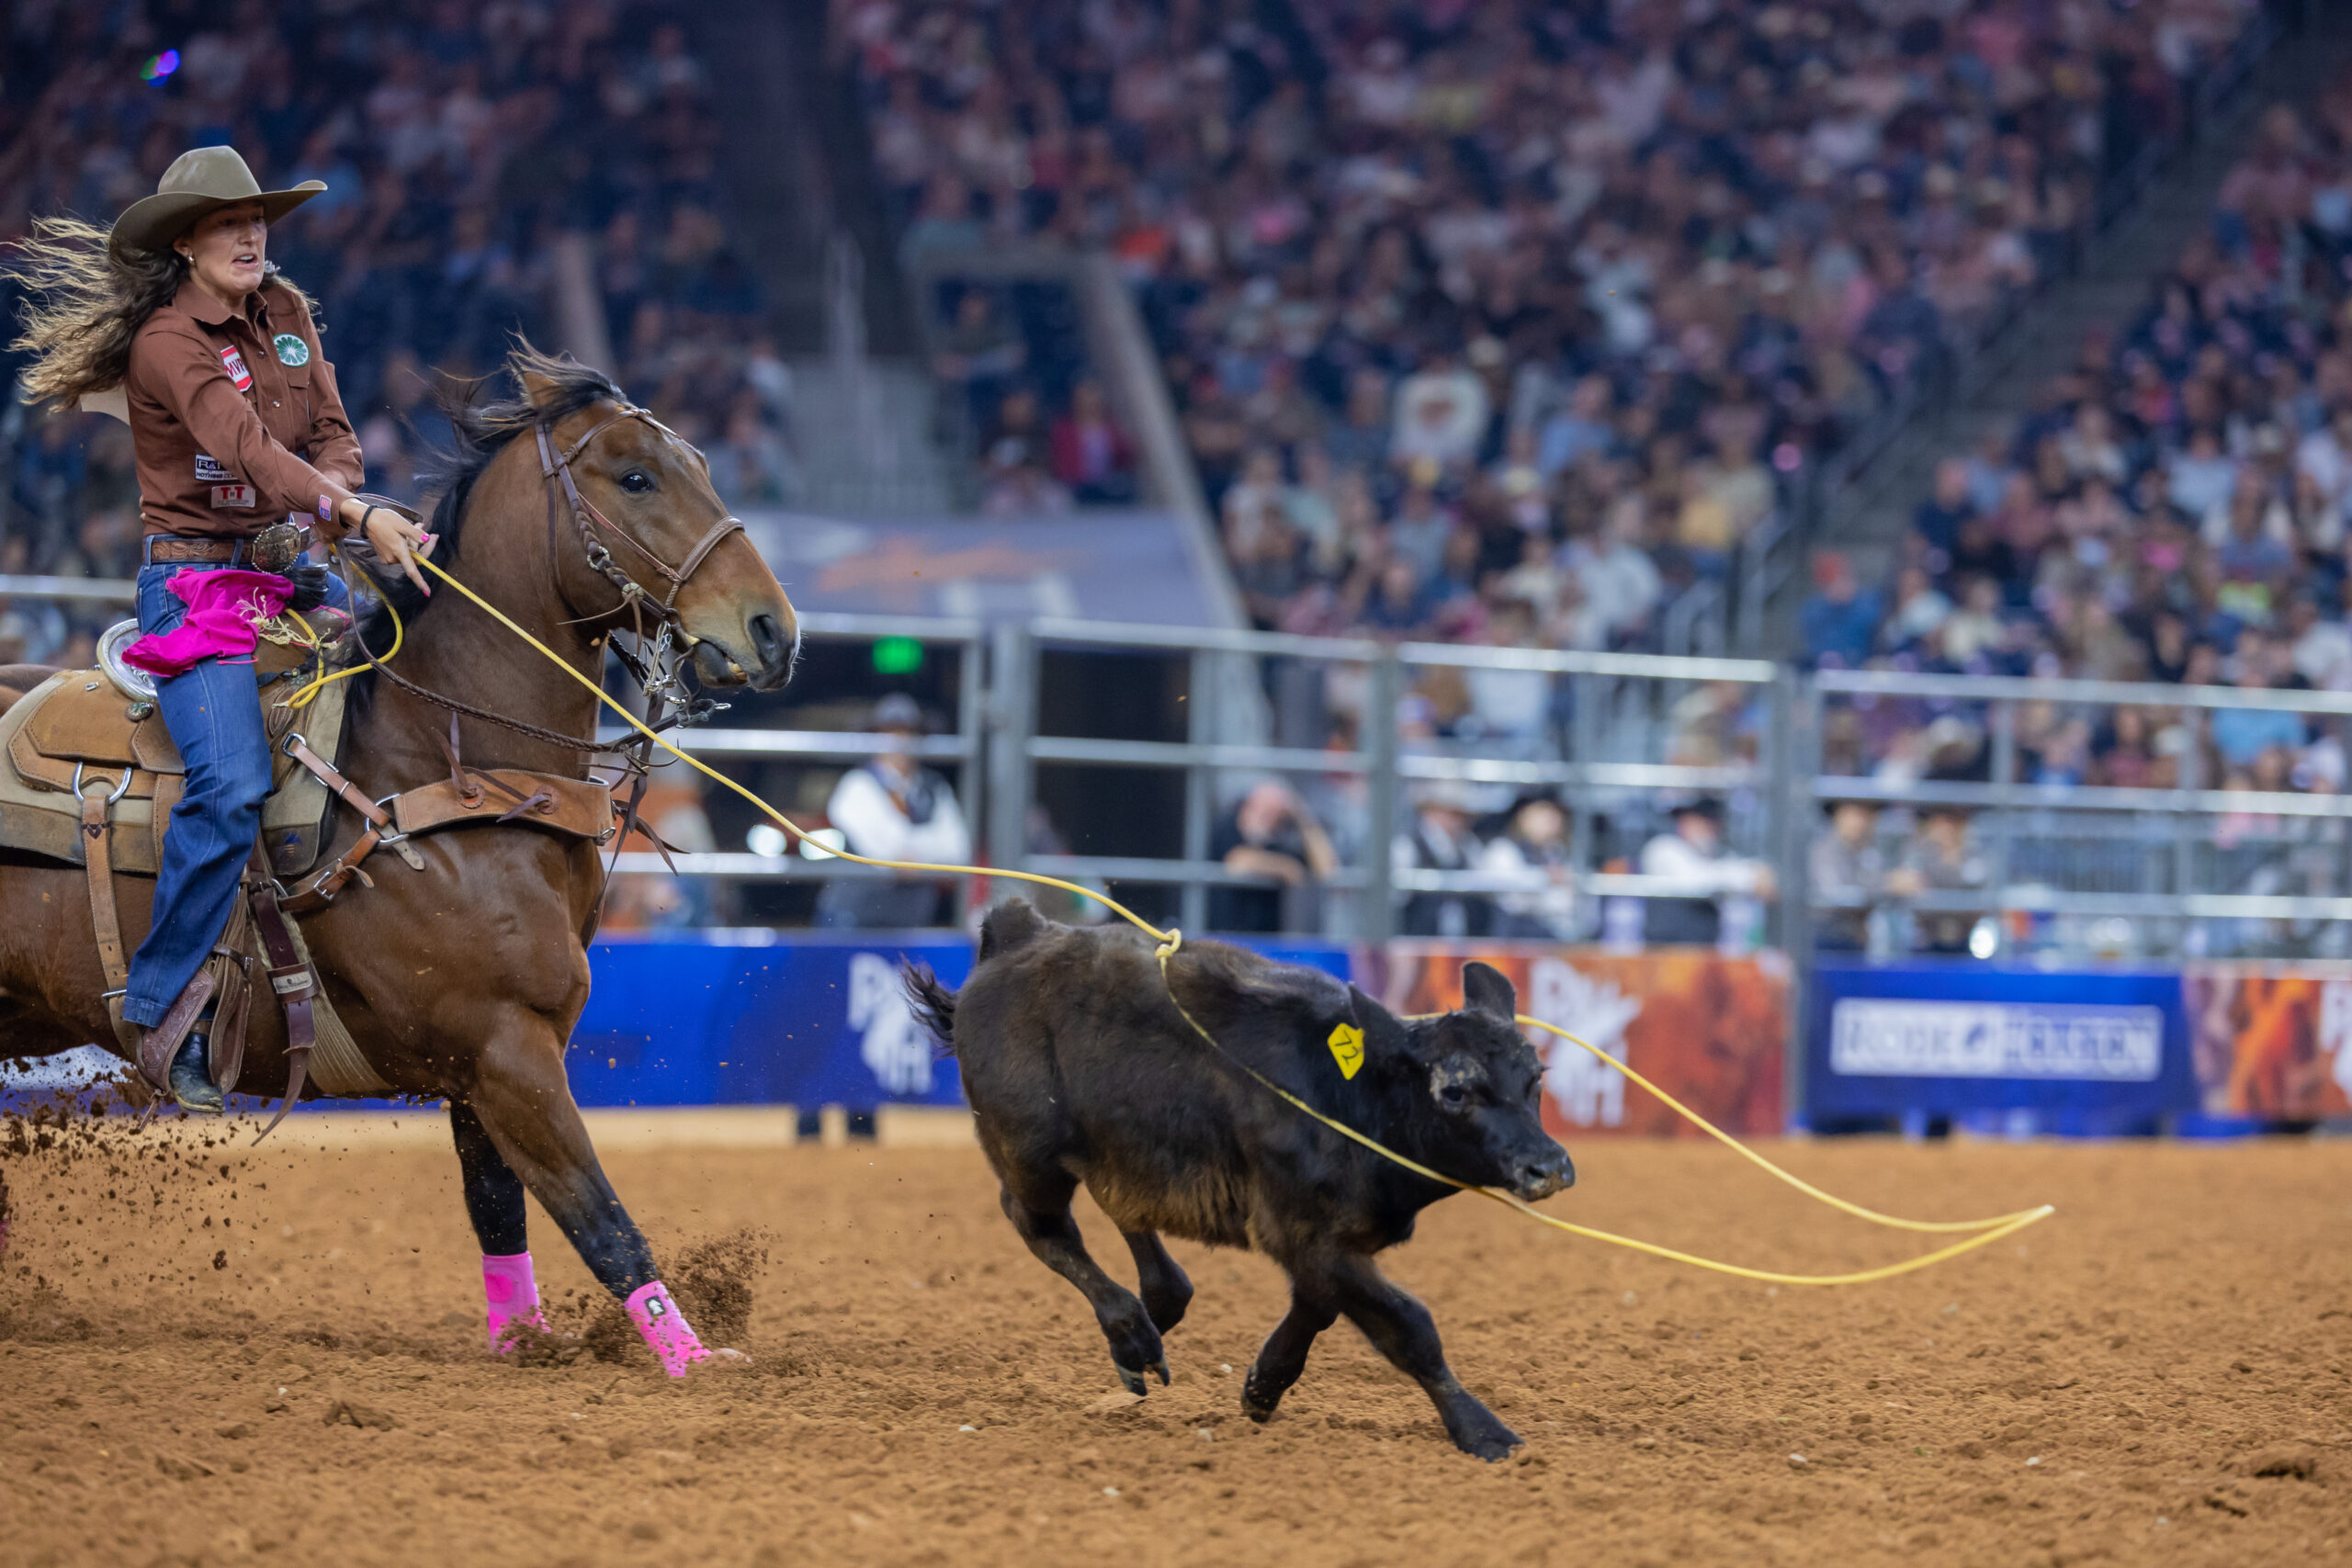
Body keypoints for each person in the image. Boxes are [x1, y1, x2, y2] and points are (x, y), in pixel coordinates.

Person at [6, 146, 433, 1112]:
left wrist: (335, 502)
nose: (250, 235)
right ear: (186, 242)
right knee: (231, 780)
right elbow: (241, 444)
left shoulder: (286, 314)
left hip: (286, 573)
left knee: (402, 704)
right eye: (226, 222)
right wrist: (354, 518)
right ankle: (160, 1007)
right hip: (193, 588)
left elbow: (330, 432)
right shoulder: (167, 339)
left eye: (258, 218)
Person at [816, 694, 971, 930]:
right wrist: (927, 854)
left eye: (909, 732)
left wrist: (912, 859)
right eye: (890, 731)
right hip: (853, 921)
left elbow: (957, 850)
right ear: (875, 736)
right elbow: (885, 854)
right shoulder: (856, 784)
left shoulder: (934, 786)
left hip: (911, 920)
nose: (900, 741)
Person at [1207, 779, 1339, 932]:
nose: (1269, 818)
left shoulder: (1283, 836)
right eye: (1263, 809)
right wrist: (1283, 867)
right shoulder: (1227, 825)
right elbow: (1236, 862)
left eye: (1275, 812)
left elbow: (1328, 869)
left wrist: (1303, 815)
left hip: (1268, 942)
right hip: (1224, 936)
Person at [1639, 797, 1774, 947]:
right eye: (1703, 823)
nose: (1710, 831)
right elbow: (1693, 881)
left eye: (1713, 824)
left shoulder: (1711, 854)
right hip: (1666, 951)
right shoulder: (1663, 847)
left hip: (1704, 950)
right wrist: (1750, 876)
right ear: (1685, 820)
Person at [1808, 800, 1923, 952]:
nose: (1860, 822)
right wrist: (1888, 884)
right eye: (1854, 814)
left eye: (1868, 814)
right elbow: (1836, 895)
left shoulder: (1870, 852)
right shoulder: (1824, 852)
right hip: (1824, 942)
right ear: (1837, 815)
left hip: (1853, 943)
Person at [1394, 782, 1494, 938]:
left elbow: (1488, 887)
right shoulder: (1408, 846)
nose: (1458, 821)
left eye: (1462, 815)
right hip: (1418, 943)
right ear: (1429, 811)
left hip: (1465, 942)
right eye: (1451, 813)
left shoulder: (1470, 847)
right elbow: (1397, 901)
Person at [1480, 794, 1580, 940]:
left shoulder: (1557, 853)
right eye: (1542, 812)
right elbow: (1511, 899)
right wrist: (1546, 879)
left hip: (1554, 937)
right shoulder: (1502, 850)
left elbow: (1567, 902)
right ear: (1523, 816)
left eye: (1554, 813)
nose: (1551, 820)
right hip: (1512, 938)